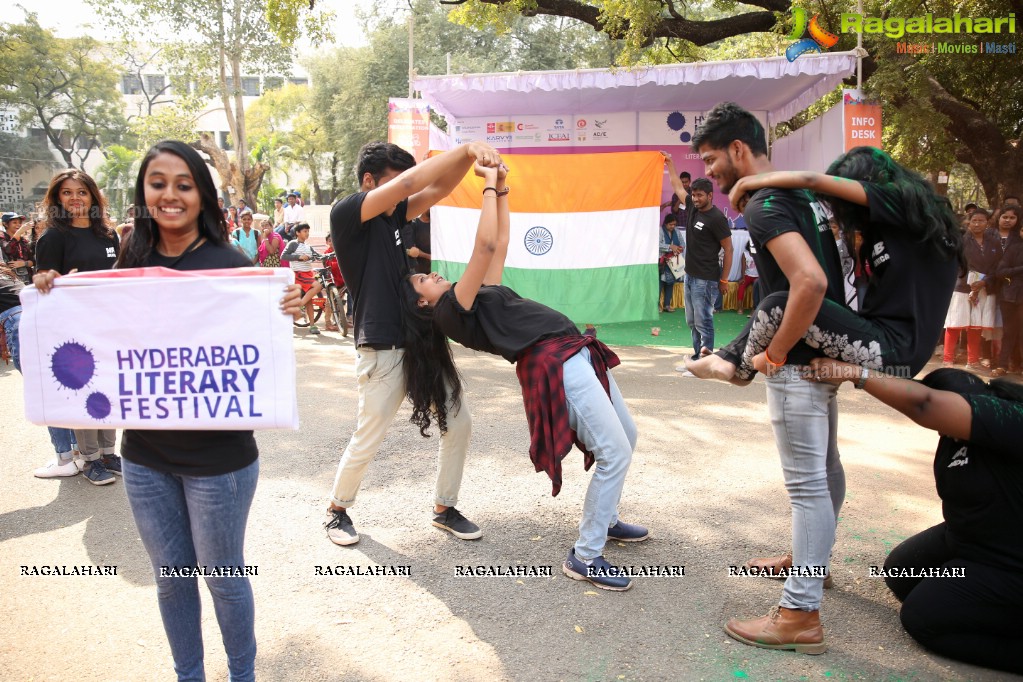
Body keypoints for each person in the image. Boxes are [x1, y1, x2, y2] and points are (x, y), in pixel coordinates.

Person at [34, 139, 302, 682]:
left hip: (220, 464)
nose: (170, 195)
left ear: (201, 194)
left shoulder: (232, 266)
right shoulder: (131, 259)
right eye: (158, 183)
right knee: (171, 579)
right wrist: (54, 290)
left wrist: (285, 304)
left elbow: (260, 329)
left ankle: (242, 676)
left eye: (184, 184)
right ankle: (189, 676)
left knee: (224, 578)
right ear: (144, 193)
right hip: (144, 458)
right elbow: (102, 329)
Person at [403, 162, 647, 591]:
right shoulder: (449, 311)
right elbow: (484, 245)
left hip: (575, 354)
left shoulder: (470, 297)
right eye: (423, 279)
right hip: (556, 363)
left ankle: (606, 521)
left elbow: (498, 248)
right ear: (424, 305)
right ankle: (586, 555)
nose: (433, 274)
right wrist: (487, 187)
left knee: (626, 438)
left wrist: (503, 191)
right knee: (615, 451)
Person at [686, 102, 850, 654]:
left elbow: (809, 282)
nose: (707, 172)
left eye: (711, 160)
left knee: (807, 484)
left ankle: (800, 611)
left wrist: (774, 356)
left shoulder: (764, 204)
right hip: (821, 351)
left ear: (738, 150)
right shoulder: (801, 196)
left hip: (798, 359)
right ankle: (812, 561)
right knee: (825, 470)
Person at [324, 140, 501, 547]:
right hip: (381, 345)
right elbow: (413, 184)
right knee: (370, 434)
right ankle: (337, 510)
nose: (402, 192)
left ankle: (444, 507)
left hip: (421, 340)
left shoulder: (393, 217)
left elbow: (436, 189)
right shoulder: (349, 213)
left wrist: (467, 159)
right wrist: (467, 148)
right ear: (369, 182)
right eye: (394, 182)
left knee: (458, 421)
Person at [809, 359, 1023, 675]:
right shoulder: (953, 436)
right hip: (970, 541)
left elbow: (924, 403)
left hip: (1011, 563)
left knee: (923, 618)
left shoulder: (1009, 420)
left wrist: (856, 373)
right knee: (900, 573)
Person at [688, 146, 962, 385]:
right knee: (786, 303)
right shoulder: (900, 226)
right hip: (880, 339)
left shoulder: (899, 201)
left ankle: (737, 367)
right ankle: (732, 362)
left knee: (780, 305)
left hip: (894, 352)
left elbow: (812, 180)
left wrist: (749, 183)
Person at [33, 169, 121, 485]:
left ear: (93, 197)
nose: (75, 199)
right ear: (57, 198)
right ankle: (90, 460)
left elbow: (119, 278)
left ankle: (110, 453)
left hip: (108, 327)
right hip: (74, 332)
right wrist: (51, 280)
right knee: (85, 392)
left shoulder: (109, 235)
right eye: (67, 193)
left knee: (108, 389)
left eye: (81, 192)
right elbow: (43, 281)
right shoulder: (53, 236)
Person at [678, 175, 732, 358]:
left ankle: (705, 360)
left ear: (710, 196)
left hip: (706, 279)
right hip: (690, 276)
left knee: (703, 321)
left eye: (699, 195)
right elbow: (678, 188)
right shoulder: (693, 207)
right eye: (693, 195)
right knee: (692, 321)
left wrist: (724, 279)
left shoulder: (717, 218)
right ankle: (696, 358)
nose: (695, 199)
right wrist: (669, 163)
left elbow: (729, 249)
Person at [942, 208, 1001, 370]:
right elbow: (954, 263)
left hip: (984, 287)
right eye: (974, 221)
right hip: (962, 286)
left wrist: (983, 282)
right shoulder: (960, 241)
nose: (977, 224)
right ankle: (948, 359)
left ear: (987, 223)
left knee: (976, 326)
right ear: (969, 223)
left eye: (981, 221)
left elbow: (997, 266)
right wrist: (972, 282)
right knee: (954, 324)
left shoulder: (994, 242)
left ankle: (973, 360)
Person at [993, 205, 1023, 376]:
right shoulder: (1014, 248)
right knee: (1009, 331)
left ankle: (1018, 365)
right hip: (1010, 295)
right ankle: (1003, 365)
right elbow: (1000, 272)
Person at [281, 223, 324, 335]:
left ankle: (312, 325)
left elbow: (317, 256)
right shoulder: (293, 244)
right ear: (297, 233)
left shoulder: (308, 247)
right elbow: (283, 256)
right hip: (298, 275)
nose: (307, 233)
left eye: (308, 231)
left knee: (309, 299)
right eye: (305, 231)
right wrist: (298, 257)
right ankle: (299, 306)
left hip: (308, 274)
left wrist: (328, 255)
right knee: (318, 286)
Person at [1, 211, 35, 284]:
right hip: (10, 280)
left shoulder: (23, 241)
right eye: (14, 222)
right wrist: (19, 233)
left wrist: (24, 263)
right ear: (5, 224)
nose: (18, 225)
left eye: (19, 223)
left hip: (28, 279)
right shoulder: (2, 238)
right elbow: (8, 249)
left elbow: (33, 261)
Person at [658, 214, 682, 312]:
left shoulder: (677, 231)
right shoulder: (660, 230)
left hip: (674, 261)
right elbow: (657, 244)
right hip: (662, 261)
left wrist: (680, 248)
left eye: (674, 224)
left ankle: (667, 305)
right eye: (671, 224)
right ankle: (656, 306)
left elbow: (683, 243)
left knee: (670, 283)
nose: (673, 226)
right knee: (659, 283)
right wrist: (670, 247)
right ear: (666, 223)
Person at [402, 211, 432, 275]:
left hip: (433, 269)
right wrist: (428, 256)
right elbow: (412, 248)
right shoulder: (413, 224)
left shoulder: (436, 226)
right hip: (417, 270)